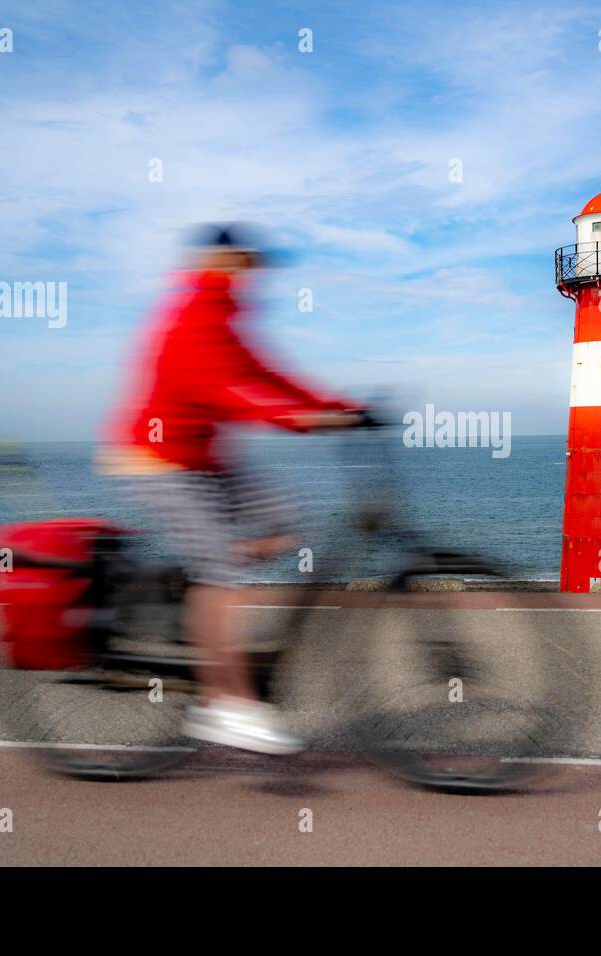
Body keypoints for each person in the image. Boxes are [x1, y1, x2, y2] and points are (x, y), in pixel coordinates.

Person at [99, 223, 361, 754]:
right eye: (242, 262)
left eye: (251, 264)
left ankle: (206, 584)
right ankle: (225, 705)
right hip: (158, 458)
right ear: (219, 261)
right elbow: (216, 388)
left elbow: (264, 371)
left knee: (287, 517)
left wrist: (338, 406)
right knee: (220, 567)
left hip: (206, 460)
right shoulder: (192, 311)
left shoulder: (225, 314)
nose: (250, 273)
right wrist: (299, 420)